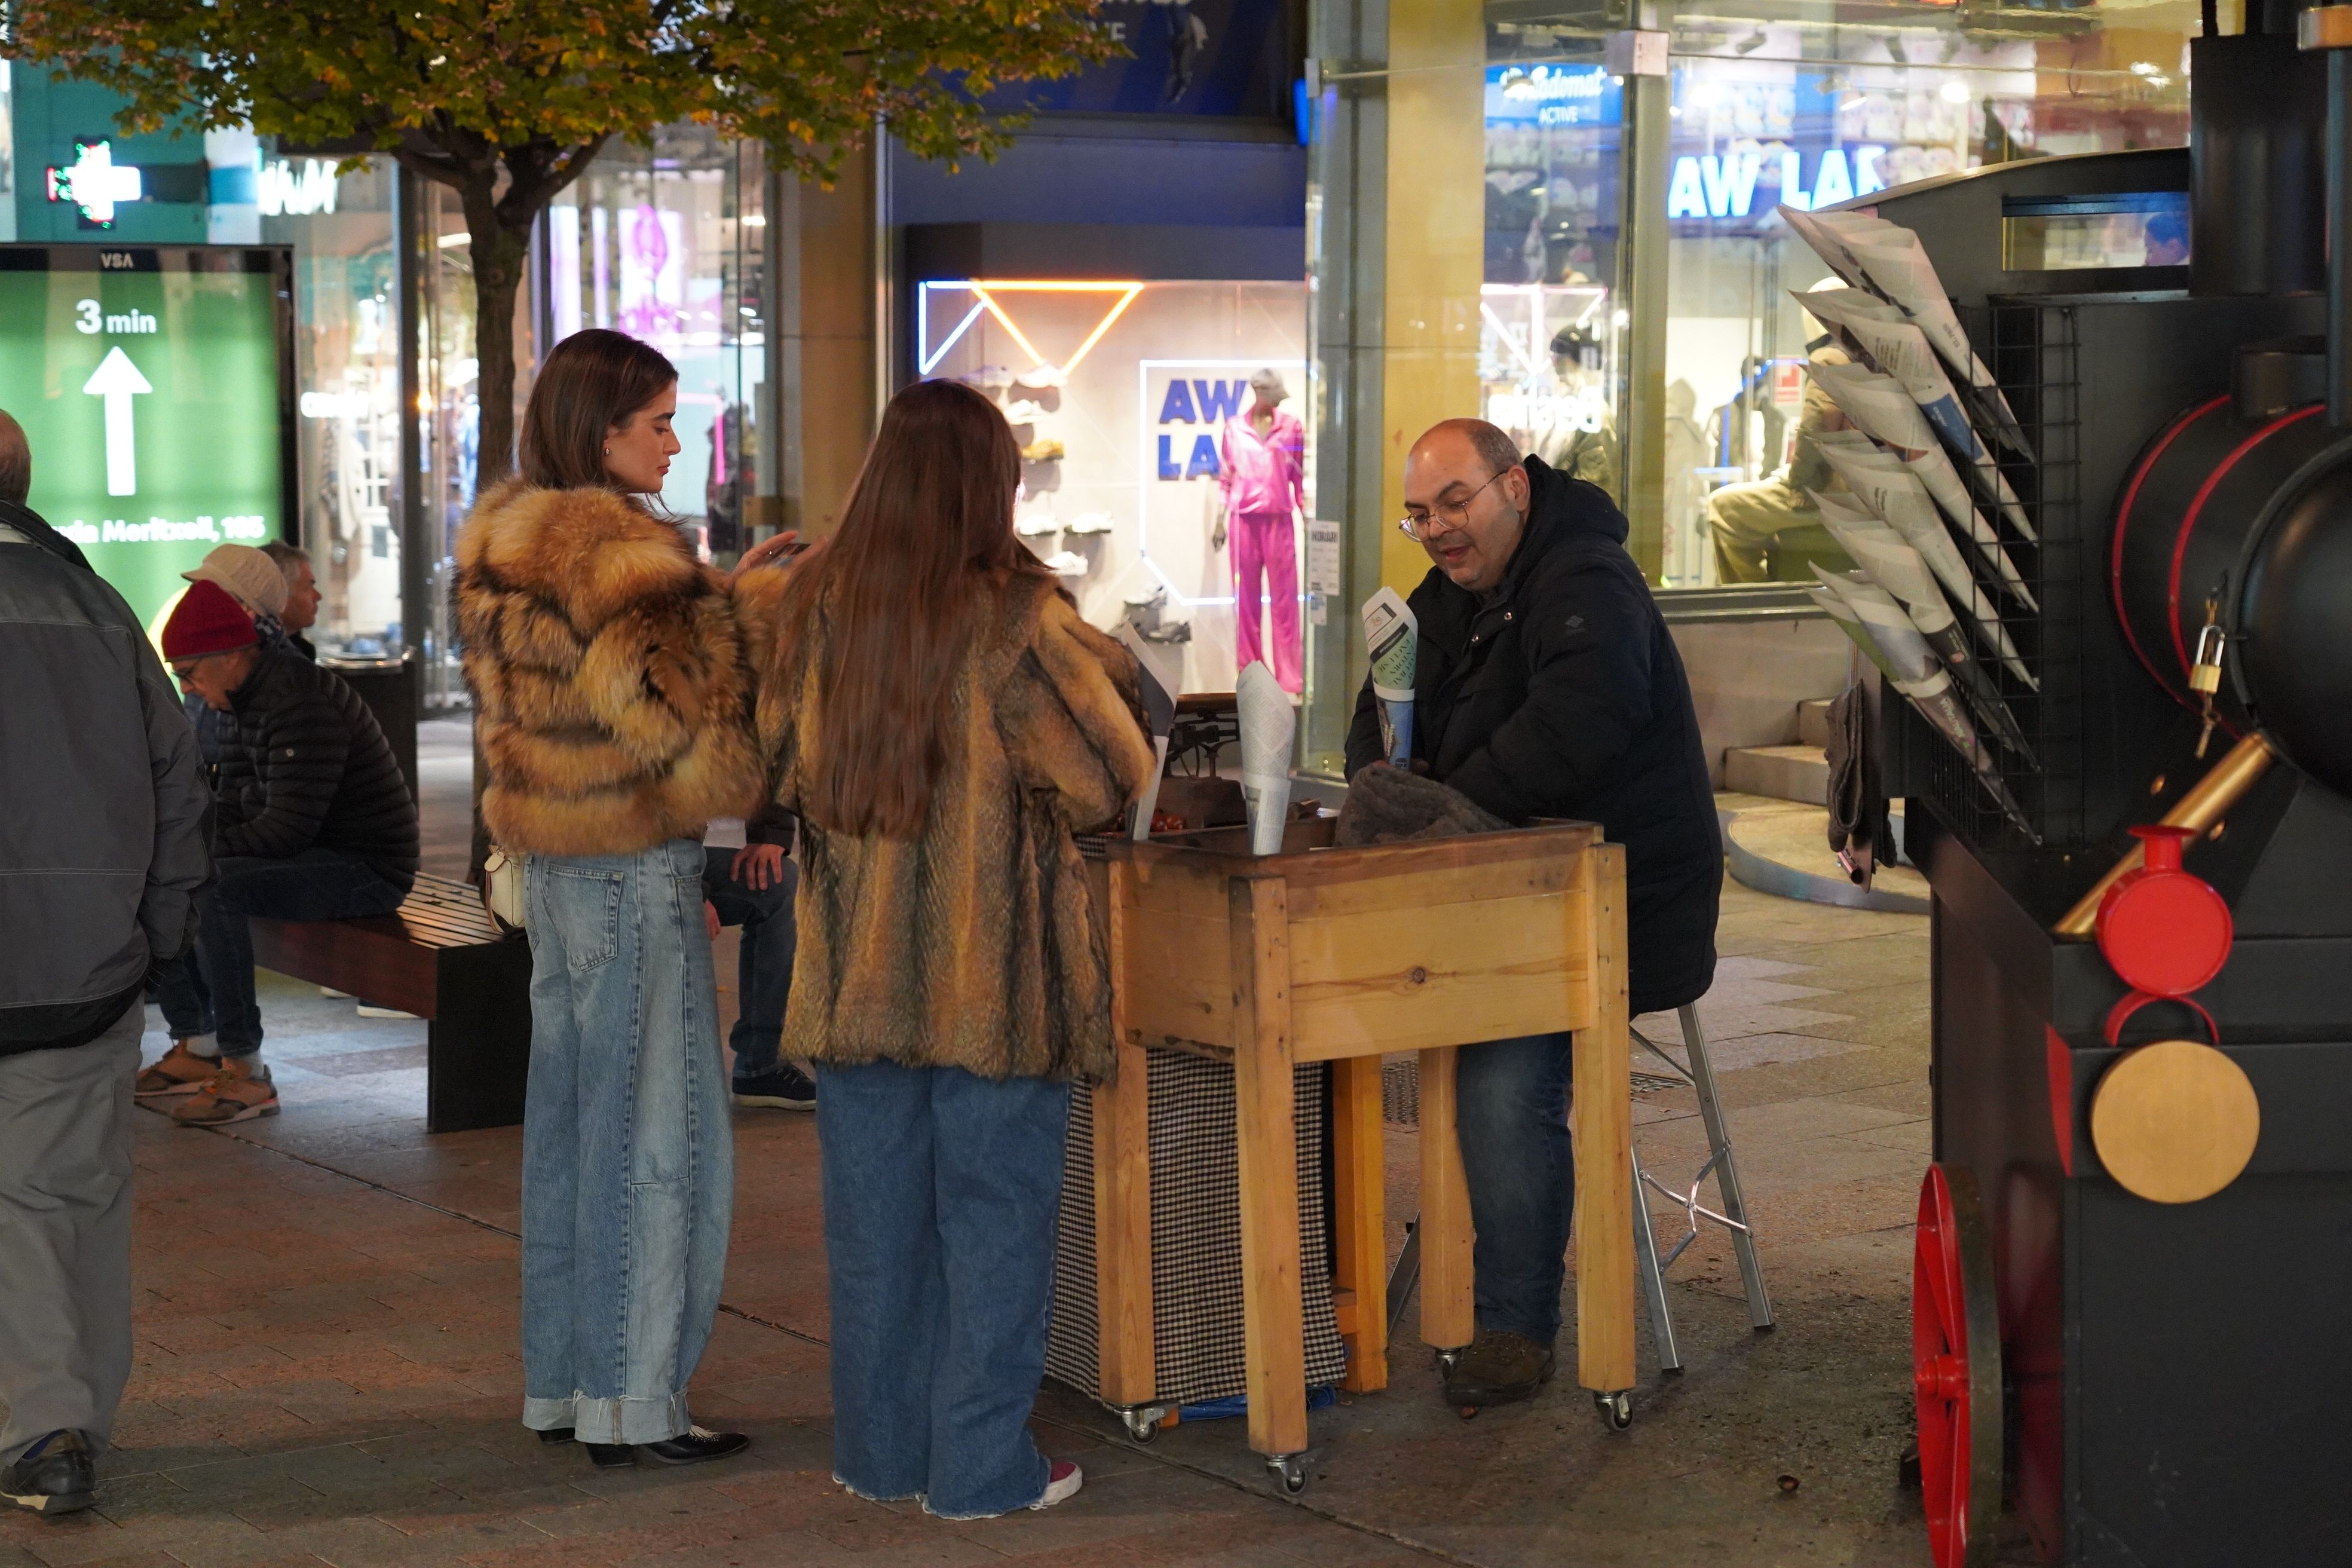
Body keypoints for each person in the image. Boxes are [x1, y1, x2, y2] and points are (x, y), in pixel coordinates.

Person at [749, 378, 1153, 1518]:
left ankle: (881, 1456)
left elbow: (776, 768)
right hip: (996, 985)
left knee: (874, 1236)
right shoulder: (1017, 622)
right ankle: (980, 1468)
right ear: (990, 489)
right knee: (994, 1228)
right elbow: (1109, 775)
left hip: (856, 983)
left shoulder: (813, 609)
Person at [454, 327, 788, 1469]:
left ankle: (565, 1381)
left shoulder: (505, 542)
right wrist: (748, 617)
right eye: (659, 423)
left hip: (551, 868)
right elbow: (686, 733)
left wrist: (713, 598)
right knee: (662, 1136)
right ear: (601, 433)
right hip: (633, 863)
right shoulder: (623, 552)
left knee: (569, 1135)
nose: (675, 444)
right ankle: (636, 1397)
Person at [1343, 418, 1720, 1411]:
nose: (1436, 528)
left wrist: (1447, 807)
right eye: (1418, 513)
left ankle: (1514, 1321)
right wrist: (1391, 787)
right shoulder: (1447, 594)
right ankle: (1339, 1304)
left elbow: (1577, 727)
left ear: (1513, 486)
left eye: (1454, 502)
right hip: (1491, 901)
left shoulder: (1586, 577)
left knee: (1501, 1068)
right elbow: (1374, 712)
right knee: (1339, 1025)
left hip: (1624, 901)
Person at [1, 436, 213, 1517]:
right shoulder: (98, 610)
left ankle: (40, 1427)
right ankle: (59, 1429)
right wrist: (157, 936)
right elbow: (179, 783)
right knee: (66, 1197)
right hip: (82, 966)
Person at [133, 581, 419, 1123]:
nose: (187, 688)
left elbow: (285, 831)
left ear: (232, 656)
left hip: (366, 868)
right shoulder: (242, 698)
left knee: (212, 887)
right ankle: (198, 1041)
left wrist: (201, 852)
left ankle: (247, 1068)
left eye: (189, 672)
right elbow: (234, 806)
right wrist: (179, 847)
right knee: (164, 872)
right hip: (315, 853)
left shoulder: (299, 700)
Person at [144, 543, 295, 1060]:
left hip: (289, 843)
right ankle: (196, 1036)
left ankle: (236, 1053)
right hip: (238, 823)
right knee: (157, 865)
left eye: (214, 592)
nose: (199, 600)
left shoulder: (276, 680)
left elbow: (279, 813)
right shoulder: (219, 674)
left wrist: (201, 840)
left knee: (196, 877)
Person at [1704, 285, 1853, 584]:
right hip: (1856, 488)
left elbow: (1814, 430)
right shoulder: (1868, 358)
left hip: (1831, 489)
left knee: (1724, 508)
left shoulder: (1830, 358)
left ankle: (1751, 596)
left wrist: (1797, 487)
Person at [706, 826, 815, 1110]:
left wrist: (771, 833)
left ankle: (762, 1062)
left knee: (780, 880)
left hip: (678, 854)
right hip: (630, 859)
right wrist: (689, 887)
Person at [1216, 368, 1307, 694]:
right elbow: (1226, 478)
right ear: (1259, 393)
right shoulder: (1234, 429)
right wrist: (1219, 520)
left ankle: (1290, 677)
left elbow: (1299, 477)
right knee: (1246, 603)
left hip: (1279, 521)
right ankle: (1252, 673)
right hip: (1243, 523)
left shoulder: (1291, 427)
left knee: (1286, 603)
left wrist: (1307, 516)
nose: (1278, 402)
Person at [261, 540, 321, 660]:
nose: (318, 596)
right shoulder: (260, 659)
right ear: (279, 591)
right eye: (308, 587)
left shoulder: (300, 651)